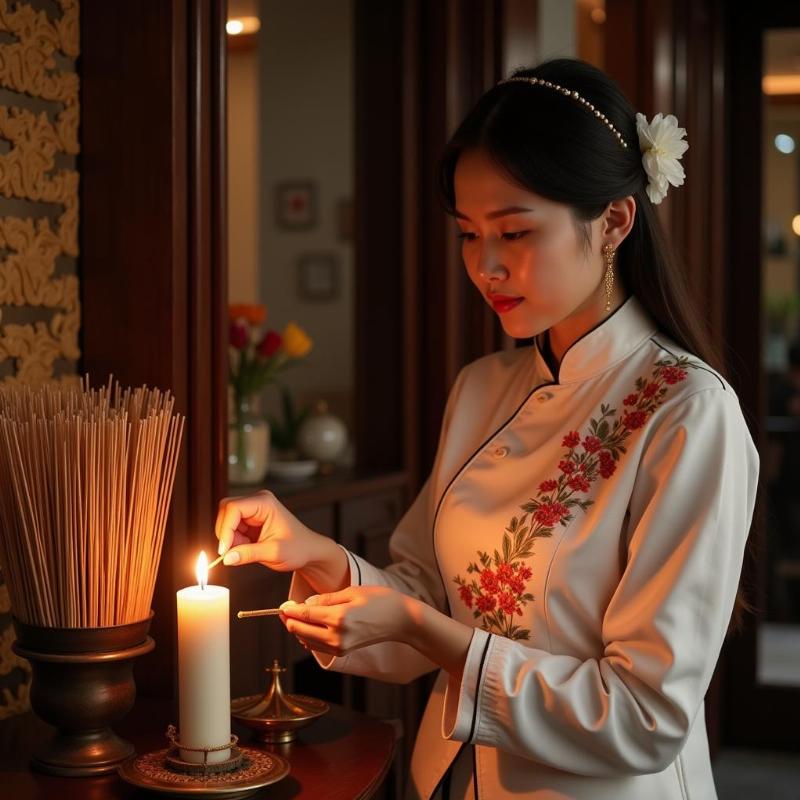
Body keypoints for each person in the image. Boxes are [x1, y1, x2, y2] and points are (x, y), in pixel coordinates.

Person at [216, 58, 760, 799]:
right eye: (470, 234)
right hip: (451, 779)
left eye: (514, 232)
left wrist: (423, 630)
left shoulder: (687, 411)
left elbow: (645, 715)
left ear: (614, 222)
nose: (486, 267)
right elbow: (426, 595)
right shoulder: (483, 387)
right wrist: (315, 554)